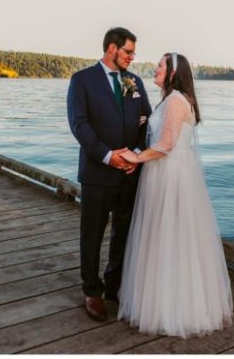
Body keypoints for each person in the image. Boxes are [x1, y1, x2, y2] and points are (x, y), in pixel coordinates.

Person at [118, 52, 233, 337]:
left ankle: (172, 308)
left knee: (168, 236)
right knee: (172, 237)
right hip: (171, 172)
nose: (154, 68)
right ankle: (170, 301)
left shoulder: (175, 102)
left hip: (170, 176)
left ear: (172, 72)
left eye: (160, 65)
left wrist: (135, 159)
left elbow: (167, 144)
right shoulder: (175, 100)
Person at [66, 27, 152, 322]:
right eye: (128, 52)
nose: (132, 57)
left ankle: (114, 285)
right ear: (112, 49)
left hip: (129, 173)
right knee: (92, 233)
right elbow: (80, 125)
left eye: (133, 53)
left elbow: (146, 122)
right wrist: (107, 156)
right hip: (97, 173)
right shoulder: (82, 81)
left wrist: (135, 156)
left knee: (123, 233)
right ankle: (92, 290)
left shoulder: (133, 81)